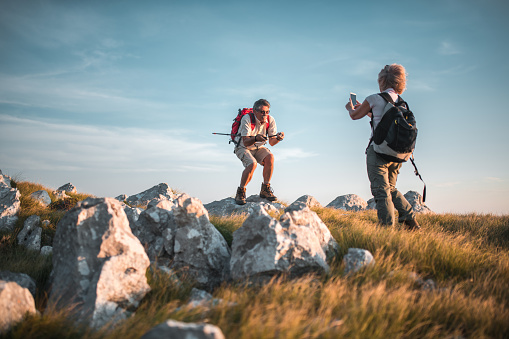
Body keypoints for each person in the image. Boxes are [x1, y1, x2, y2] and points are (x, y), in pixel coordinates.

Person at [345, 64, 420, 230]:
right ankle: (409, 219)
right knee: (391, 188)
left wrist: (351, 108)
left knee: (381, 190)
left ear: (382, 81)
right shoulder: (402, 103)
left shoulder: (374, 98)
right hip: (398, 154)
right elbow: (380, 117)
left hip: (378, 152)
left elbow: (354, 116)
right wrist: (367, 111)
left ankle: (386, 230)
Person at [234, 99, 285, 205]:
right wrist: (256, 138)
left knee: (270, 157)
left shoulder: (270, 120)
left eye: (267, 112)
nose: (265, 115)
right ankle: (241, 192)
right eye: (262, 112)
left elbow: (271, 142)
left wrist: (279, 138)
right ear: (254, 111)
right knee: (252, 164)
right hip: (243, 147)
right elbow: (246, 142)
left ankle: (265, 189)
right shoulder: (247, 118)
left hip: (258, 147)